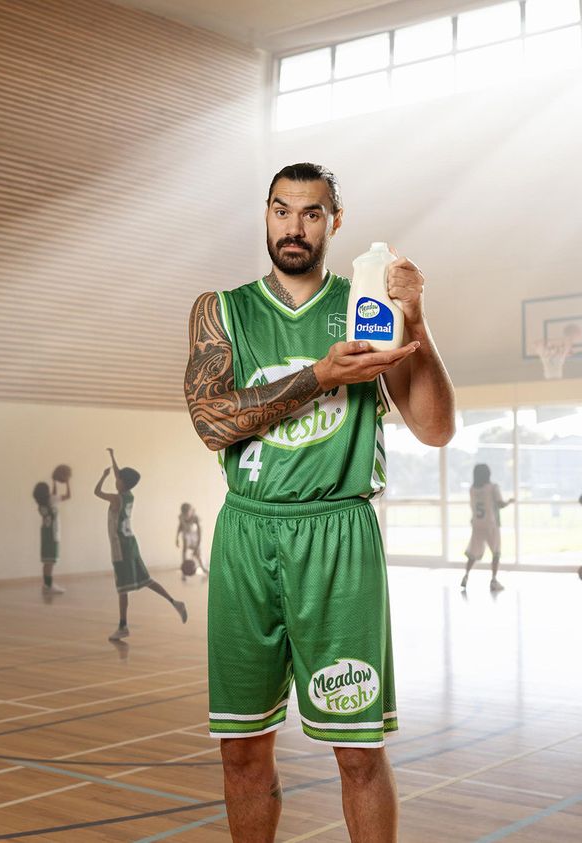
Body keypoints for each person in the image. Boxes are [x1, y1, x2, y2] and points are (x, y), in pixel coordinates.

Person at [183, 162, 455, 842]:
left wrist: (417, 319)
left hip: (339, 534)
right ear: (266, 214)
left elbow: (435, 428)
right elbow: (210, 422)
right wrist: (320, 375)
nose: (294, 227)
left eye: (311, 213)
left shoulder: (367, 305)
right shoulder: (222, 309)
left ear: (334, 222)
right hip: (248, 534)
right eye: (282, 210)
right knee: (241, 751)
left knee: (358, 751)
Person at [93, 448, 187, 642]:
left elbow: (96, 492)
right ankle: (175, 602)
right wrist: (112, 457)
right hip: (131, 544)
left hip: (121, 547)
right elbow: (120, 475)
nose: (116, 480)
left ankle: (123, 626)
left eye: (118, 479)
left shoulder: (116, 498)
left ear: (122, 483)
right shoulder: (129, 495)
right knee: (146, 580)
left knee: (122, 588)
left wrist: (103, 476)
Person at [460, 464, 514, 592]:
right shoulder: (493, 488)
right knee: (496, 552)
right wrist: (510, 501)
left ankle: (466, 575)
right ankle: (494, 580)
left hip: (477, 524)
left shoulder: (472, 489)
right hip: (491, 524)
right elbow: (500, 504)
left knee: (473, 552)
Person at [33, 470, 71, 595]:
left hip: (45, 533)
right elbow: (68, 496)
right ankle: (49, 586)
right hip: (53, 534)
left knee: (46, 561)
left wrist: (54, 482)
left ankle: (46, 584)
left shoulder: (41, 503)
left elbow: (53, 495)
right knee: (50, 562)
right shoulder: (52, 500)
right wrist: (67, 482)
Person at [176, 503, 205, 577]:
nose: (186, 516)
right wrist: (177, 538)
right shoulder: (181, 517)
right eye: (184, 514)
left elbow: (199, 533)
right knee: (184, 550)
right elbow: (180, 527)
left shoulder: (196, 518)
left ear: (191, 512)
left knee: (198, 554)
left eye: (187, 514)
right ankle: (184, 571)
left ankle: (203, 568)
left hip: (194, 535)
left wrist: (197, 546)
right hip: (186, 534)